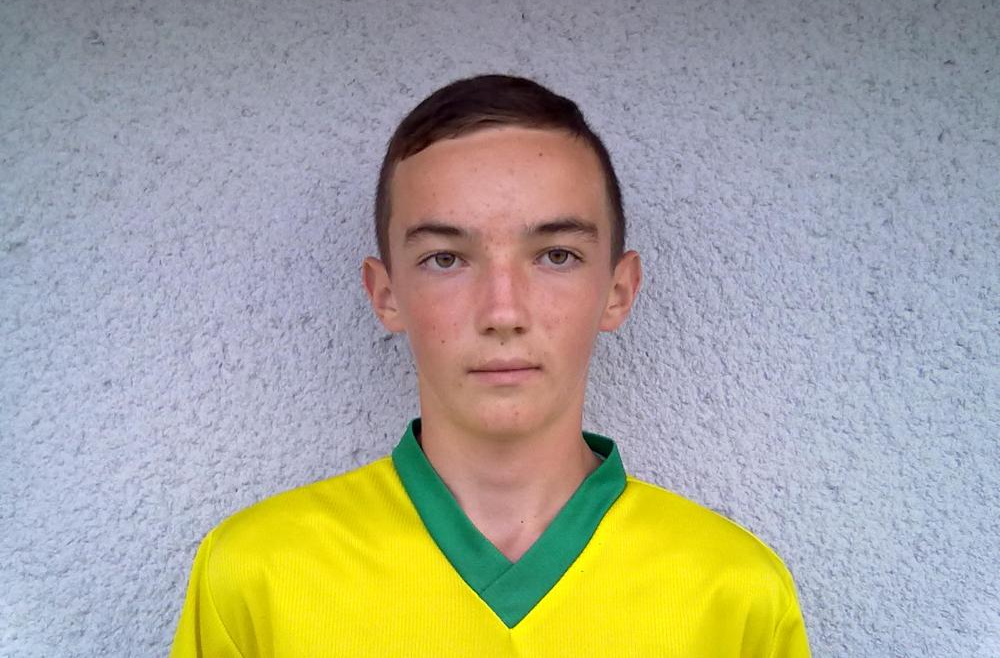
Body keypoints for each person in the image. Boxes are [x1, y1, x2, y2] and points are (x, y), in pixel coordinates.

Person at [169, 74, 811, 656]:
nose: (503, 311)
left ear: (618, 291)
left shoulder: (735, 593)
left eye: (556, 255)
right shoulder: (255, 577)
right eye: (446, 259)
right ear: (386, 295)